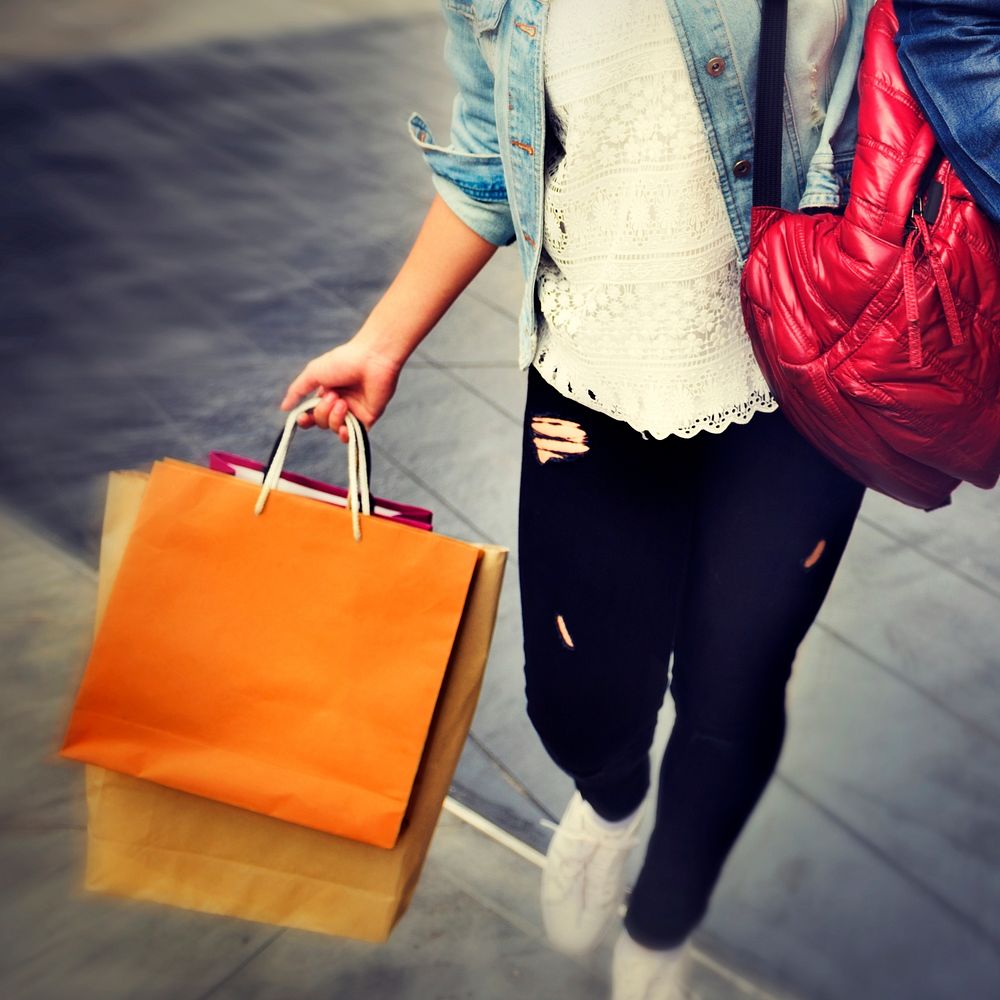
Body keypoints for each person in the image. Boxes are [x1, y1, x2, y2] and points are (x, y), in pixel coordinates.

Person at [281, 1, 876, 996]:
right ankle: (610, 805)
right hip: (589, 377)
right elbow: (486, 159)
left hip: (800, 387)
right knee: (576, 703)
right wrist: (380, 342)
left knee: (732, 693)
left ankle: (663, 920)